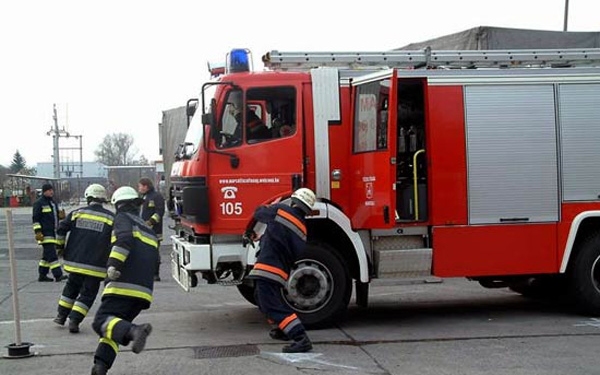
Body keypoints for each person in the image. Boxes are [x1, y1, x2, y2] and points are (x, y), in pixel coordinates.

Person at [90, 186, 158, 375]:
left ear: (118, 204)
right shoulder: (147, 228)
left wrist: (113, 265)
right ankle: (100, 367)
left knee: (101, 321)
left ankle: (136, 331)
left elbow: (124, 240)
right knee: (113, 329)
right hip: (143, 292)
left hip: (123, 286)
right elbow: (156, 261)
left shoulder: (123, 218)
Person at [244, 187, 316, 353]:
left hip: (267, 268)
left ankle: (301, 338)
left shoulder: (281, 211)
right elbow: (282, 242)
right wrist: (264, 238)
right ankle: (283, 329)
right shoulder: (302, 231)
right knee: (262, 299)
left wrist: (271, 205)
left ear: (294, 201)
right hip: (279, 272)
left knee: (272, 305)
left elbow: (259, 213)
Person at [53, 184, 114, 334]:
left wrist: (60, 248)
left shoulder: (76, 213)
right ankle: (74, 321)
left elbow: (61, 229)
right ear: (103, 199)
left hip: (75, 262)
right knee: (87, 294)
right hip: (97, 265)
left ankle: (61, 316)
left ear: (88, 197)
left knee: (71, 288)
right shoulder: (110, 218)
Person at [32, 183, 67, 282]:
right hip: (44, 234)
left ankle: (42, 275)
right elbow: (35, 219)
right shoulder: (39, 203)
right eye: (49, 190)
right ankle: (58, 275)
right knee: (52, 255)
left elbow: (54, 217)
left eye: (52, 190)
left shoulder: (53, 203)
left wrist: (61, 216)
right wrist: (38, 232)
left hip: (53, 233)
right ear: (44, 191)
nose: (52, 192)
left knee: (46, 256)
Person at [138, 177, 165, 281]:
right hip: (143, 230)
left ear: (146, 186)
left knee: (154, 252)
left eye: (140, 186)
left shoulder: (157, 197)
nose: (139, 188)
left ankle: (155, 274)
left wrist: (150, 222)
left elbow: (159, 212)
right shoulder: (144, 197)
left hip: (154, 231)